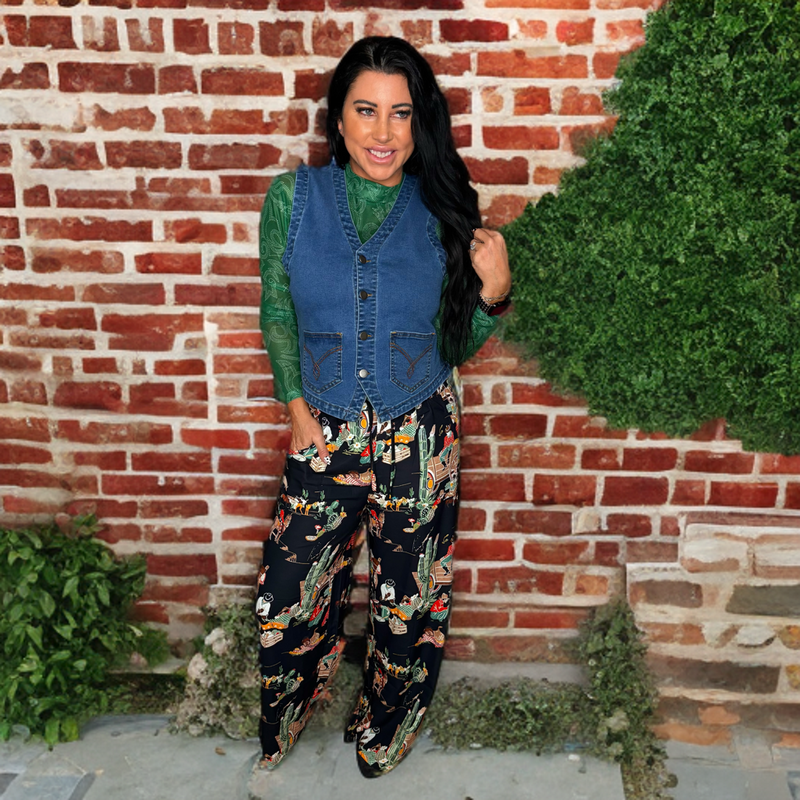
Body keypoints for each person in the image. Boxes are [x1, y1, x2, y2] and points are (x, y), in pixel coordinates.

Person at [255, 35, 512, 778]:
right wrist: (296, 408)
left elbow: (453, 345)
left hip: (421, 429)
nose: (383, 132)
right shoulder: (293, 199)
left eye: (401, 114)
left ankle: (387, 726)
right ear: (338, 118)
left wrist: (494, 293)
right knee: (286, 598)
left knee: (408, 601)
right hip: (322, 426)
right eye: (366, 110)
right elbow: (277, 310)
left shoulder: (440, 210)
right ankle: (289, 713)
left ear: (419, 123)